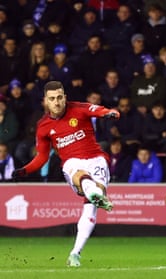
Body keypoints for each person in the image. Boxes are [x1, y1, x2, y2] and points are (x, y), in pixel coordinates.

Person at [11, 80, 120, 267]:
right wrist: (25, 170)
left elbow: (99, 110)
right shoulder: (43, 126)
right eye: (52, 98)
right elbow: (42, 157)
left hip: (96, 159)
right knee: (74, 169)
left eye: (60, 97)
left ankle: (75, 253)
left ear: (65, 97)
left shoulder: (79, 108)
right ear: (45, 100)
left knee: (91, 205)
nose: (57, 102)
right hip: (72, 163)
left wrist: (111, 113)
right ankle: (94, 192)